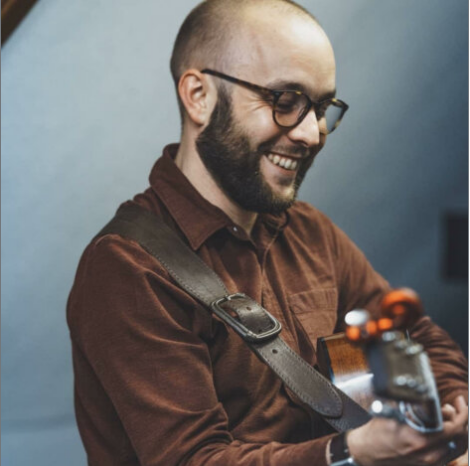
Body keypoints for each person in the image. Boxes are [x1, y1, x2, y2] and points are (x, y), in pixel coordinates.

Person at [67, 1, 468, 465]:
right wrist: (350, 451)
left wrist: (450, 417)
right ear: (199, 96)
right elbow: (194, 460)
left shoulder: (310, 230)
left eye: (321, 107)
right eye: (285, 101)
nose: (312, 134)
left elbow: (418, 335)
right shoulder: (127, 269)